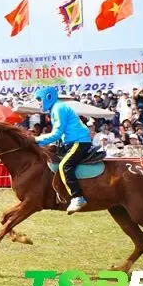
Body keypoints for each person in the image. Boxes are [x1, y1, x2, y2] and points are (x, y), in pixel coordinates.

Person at [33, 86, 93, 215]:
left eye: (39, 99)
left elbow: (57, 133)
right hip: (72, 142)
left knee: (65, 166)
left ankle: (78, 197)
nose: (38, 103)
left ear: (48, 97)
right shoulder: (56, 108)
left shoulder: (58, 108)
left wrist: (37, 140)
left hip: (79, 142)